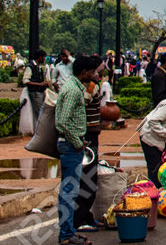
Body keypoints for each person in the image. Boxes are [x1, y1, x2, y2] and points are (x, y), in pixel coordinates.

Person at [54, 56, 94, 245]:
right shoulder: (73, 91)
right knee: (69, 192)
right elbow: (62, 121)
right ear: (84, 72)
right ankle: (66, 235)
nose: (94, 75)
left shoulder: (73, 87)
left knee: (70, 191)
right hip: (70, 146)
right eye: (92, 72)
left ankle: (69, 231)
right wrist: (76, 142)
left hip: (73, 143)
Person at [74, 58, 109, 232]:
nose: (103, 71)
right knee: (88, 178)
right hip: (88, 135)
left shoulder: (94, 85)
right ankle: (80, 219)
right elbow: (82, 104)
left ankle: (86, 216)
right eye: (101, 69)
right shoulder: (91, 87)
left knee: (88, 177)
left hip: (91, 133)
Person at [22, 50, 50, 122]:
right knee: (39, 112)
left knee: (41, 111)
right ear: (40, 57)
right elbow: (25, 81)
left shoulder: (39, 67)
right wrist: (39, 84)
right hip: (35, 92)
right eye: (44, 57)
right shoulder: (30, 67)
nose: (44, 59)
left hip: (40, 91)